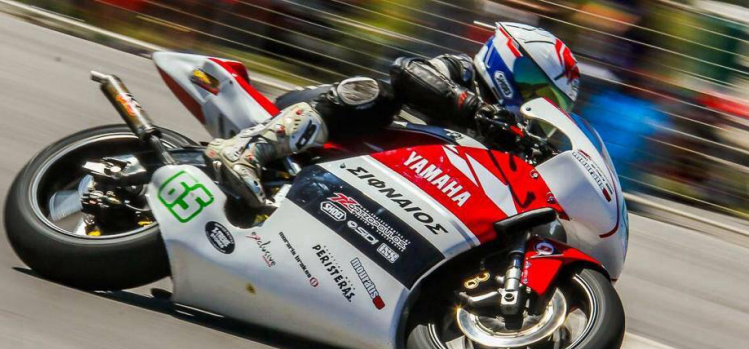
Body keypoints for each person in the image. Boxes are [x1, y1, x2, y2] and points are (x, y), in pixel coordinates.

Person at [206, 22, 581, 208]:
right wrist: (473, 108)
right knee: (380, 95)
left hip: (382, 189)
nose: (537, 101)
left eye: (550, 101)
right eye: (535, 86)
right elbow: (407, 70)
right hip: (339, 128)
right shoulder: (463, 71)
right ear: (508, 62)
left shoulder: (505, 138)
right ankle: (247, 149)